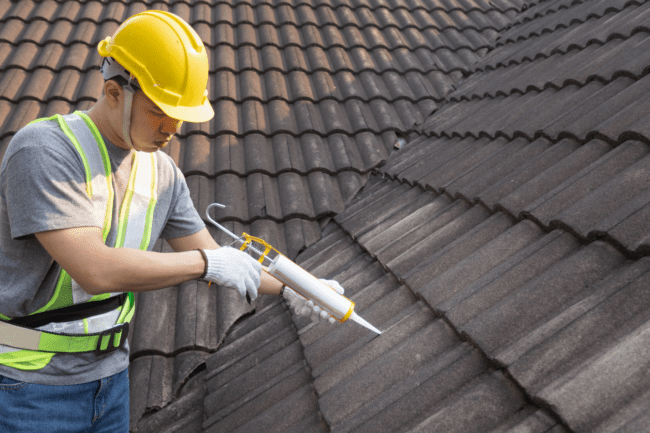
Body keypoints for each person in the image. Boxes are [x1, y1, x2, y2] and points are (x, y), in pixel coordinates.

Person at [0, 10, 342, 432]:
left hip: (109, 382)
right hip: (29, 390)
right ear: (113, 92)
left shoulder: (162, 174)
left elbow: (218, 258)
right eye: (160, 111)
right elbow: (95, 270)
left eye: (181, 114)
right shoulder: (44, 150)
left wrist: (303, 291)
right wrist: (205, 264)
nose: (173, 127)